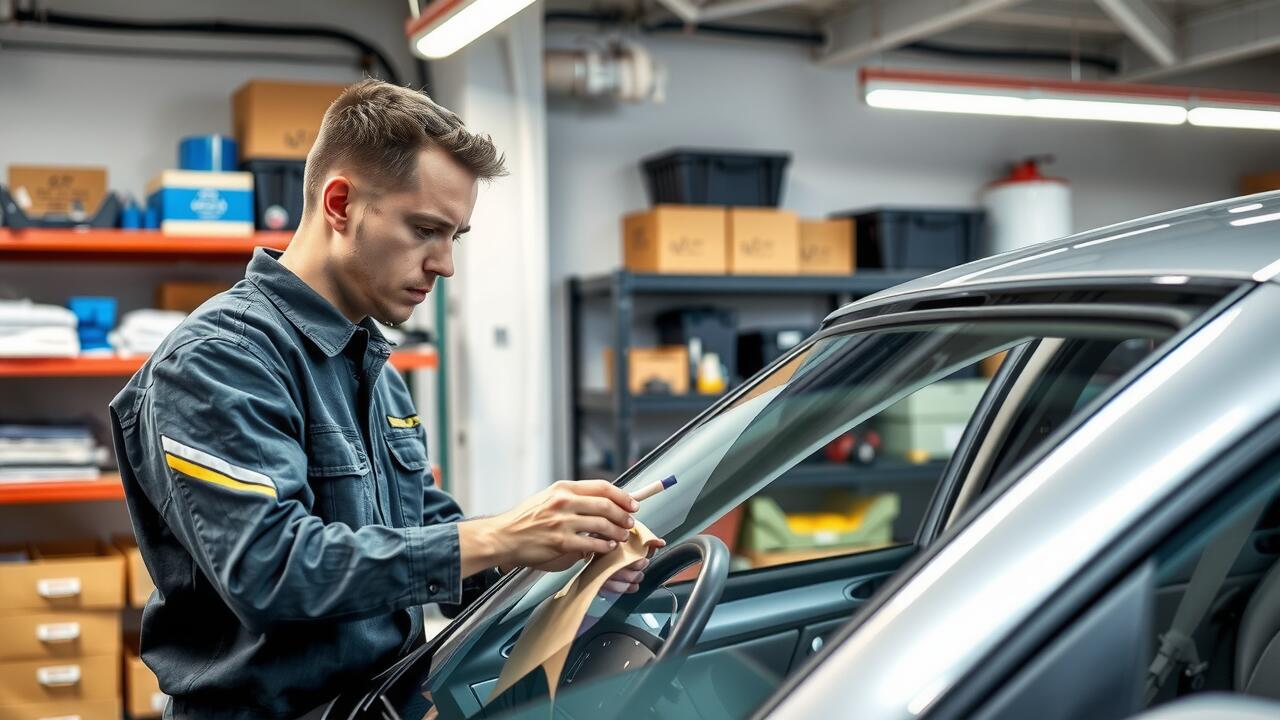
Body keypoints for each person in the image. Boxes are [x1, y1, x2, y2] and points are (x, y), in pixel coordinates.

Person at [109, 79, 654, 720]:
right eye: (425, 229)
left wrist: (566, 567)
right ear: (340, 203)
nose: (445, 264)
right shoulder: (219, 360)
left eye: (456, 236)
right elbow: (271, 569)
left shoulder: (372, 365)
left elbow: (423, 536)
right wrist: (504, 535)